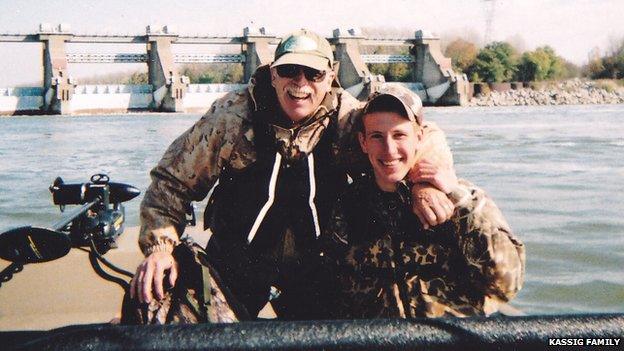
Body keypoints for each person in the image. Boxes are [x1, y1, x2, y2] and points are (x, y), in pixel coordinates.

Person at [124, 29, 456, 323]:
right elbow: (171, 181)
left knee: (389, 311)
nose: (300, 83)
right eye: (288, 71)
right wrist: (160, 247)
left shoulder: (349, 120)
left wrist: (423, 183)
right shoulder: (232, 118)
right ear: (272, 75)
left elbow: (421, 135)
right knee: (153, 297)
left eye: (312, 73)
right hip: (234, 267)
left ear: (330, 77)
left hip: (319, 272)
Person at [324, 85, 525, 318]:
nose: (389, 150)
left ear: (419, 138)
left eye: (399, 135)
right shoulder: (348, 207)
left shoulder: (465, 199)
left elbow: (506, 284)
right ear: (363, 142)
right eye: (377, 136)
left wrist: (457, 200)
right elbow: (334, 291)